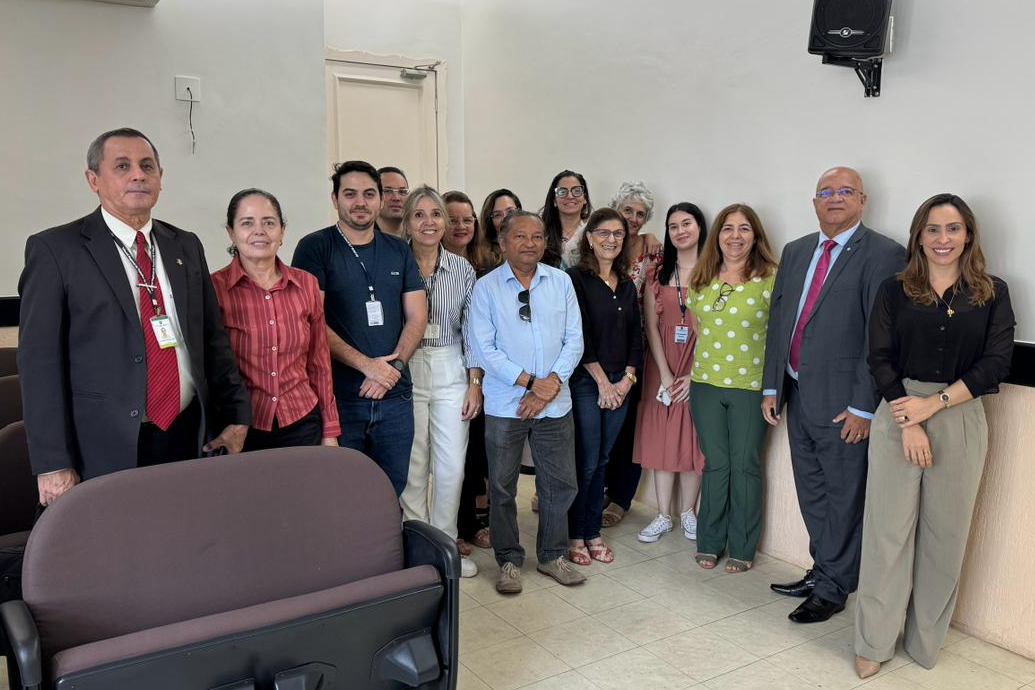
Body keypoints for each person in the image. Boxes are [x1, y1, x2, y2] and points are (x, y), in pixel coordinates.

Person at [18, 127, 251, 506]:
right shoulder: (56, 250)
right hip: (103, 444)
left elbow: (213, 338)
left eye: (147, 166)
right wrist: (52, 463)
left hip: (187, 430)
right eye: (122, 166)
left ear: (160, 177)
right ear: (93, 179)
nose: (138, 175)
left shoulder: (185, 245)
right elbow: (38, 364)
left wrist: (238, 416)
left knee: (185, 540)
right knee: (115, 551)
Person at [853, 194, 1014, 677]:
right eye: (933, 230)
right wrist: (911, 418)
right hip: (898, 410)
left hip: (961, 414)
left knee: (946, 535)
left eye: (953, 229)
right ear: (918, 236)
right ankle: (873, 640)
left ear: (968, 235)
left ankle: (925, 640)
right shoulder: (894, 289)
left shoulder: (992, 292)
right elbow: (879, 357)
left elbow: (996, 364)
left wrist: (936, 405)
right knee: (887, 533)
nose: (943, 239)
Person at [761, 166, 905, 623]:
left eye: (845, 191)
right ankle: (824, 568)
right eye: (826, 191)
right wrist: (772, 385)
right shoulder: (797, 250)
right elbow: (780, 321)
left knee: (845, 495)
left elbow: (878, 337)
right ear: (815, 201)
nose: (835, 198)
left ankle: (835, 586)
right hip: (798, 392)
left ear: (862, 200)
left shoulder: (884, 254)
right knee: (813, 490)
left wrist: (865, 405)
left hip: (847, 403)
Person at [292, 160, 427, 495]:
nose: (360, 202)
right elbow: (311, 320)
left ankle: (387, 550)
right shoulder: (315, 247)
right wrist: (368, 366)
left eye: (369, 194)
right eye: (350, 194)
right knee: (343, 492)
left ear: (380, 200)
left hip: (395, 395)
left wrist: (392, 368)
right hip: (342, 396)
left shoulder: (398, 250)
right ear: (335, 198)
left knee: (391, 488)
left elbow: (417, 316)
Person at [468, 210, 586, 593]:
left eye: (537, 236)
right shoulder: (486, 288)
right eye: (520, 236)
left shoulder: (561, 282)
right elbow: (485, 350)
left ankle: (553, 556)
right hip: (506, 404)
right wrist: (532, 384)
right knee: (502, 487)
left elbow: (574, 339)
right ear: (503, 243)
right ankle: (509, 560)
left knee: (560, 483)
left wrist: (550, 384)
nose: (530, 243)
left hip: (555, 401)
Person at [211, 189, 340, 450]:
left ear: (282, 231)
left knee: (302, 492)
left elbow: (319, 363)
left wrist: (330, 430)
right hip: (241, 428)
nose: (259, 231)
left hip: (301, 419)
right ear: (231, 232)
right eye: (247, 223)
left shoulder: (306, 284)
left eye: (269, 223)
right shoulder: (213, 289)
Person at [687, 204, 778, 572]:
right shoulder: (701, 276)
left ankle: (742, 547)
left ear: (755, 235)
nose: (735, 236)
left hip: (750, 386)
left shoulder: (770, 278)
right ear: (717, 235)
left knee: (745, 465)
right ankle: (709, 541)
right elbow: (698, 329)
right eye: (727, 228)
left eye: (744, 228)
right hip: (705, 385)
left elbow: (779, 336)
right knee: (716, 464)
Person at [398, 186, 482, 579]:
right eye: (419, 214)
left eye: (435, 214)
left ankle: (446, 547)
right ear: (407, 222)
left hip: (451, 365)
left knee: (451, 466)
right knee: (414, 464)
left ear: (445, 223)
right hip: (408, 365)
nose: (428, 222)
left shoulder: (463, 270)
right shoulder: (394, 264)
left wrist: (474, 382)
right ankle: (417, 548)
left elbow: (474, 331)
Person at [565, 208, 642, 565]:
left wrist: (626, 381)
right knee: (587, 461)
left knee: (604, 460)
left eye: (618, 234)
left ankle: (593, 531)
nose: (611, 240)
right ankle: (576, 535)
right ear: (590, 237)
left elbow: (635, 339)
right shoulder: (576, 279)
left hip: (619, 385)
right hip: (586, 382)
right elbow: (579, 336)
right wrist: (602, 383)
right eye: (604, 233)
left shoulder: (627, 284)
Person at [633, 203, 708, 544]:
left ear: (699, 227)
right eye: (673, 225)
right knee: (663, 439)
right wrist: (664, 373)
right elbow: (650, 323)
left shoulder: (714, 271)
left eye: (687, 223)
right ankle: (663, 515)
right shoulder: (658, 272)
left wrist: (694, 374)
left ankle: (688, 512)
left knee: (692, 439)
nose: (681, 231)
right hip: (661, 366)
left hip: (699, 366)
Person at [602, 181, 664, 528]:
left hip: (640, 349)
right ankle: (599, 489)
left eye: (641, 214)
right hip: (603, 348)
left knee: (630, 425)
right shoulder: (604, 245)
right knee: (602, 422)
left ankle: (621, 497)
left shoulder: (652, 250)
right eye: (628, 210)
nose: (634, 219)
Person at [444, 190, 496, 554]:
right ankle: (455, 527)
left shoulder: (486, 264)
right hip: (449, 372)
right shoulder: (429, 265)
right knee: (453, 455)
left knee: (479, 451)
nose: (461, 226)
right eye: (453, 219)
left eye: (467, 219)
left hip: (486, 372)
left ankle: (477, 521)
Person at [541, 170, 592, 269]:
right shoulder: (541, 232)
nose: (570, 196)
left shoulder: (594, 230)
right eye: (562, 192)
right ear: (554, 200)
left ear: (585, 198)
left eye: (576, 191)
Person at [479, 188, 522, 266]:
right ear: (489, 221)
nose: (505, 218)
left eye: (510, 211)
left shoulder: (534, 246)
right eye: (497, 215)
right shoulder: (483, 257)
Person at [377, 166, 409, 237]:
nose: (396, 198)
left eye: (402, 191)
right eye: (388, 191)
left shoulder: (417, 237)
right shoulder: (362, 239)